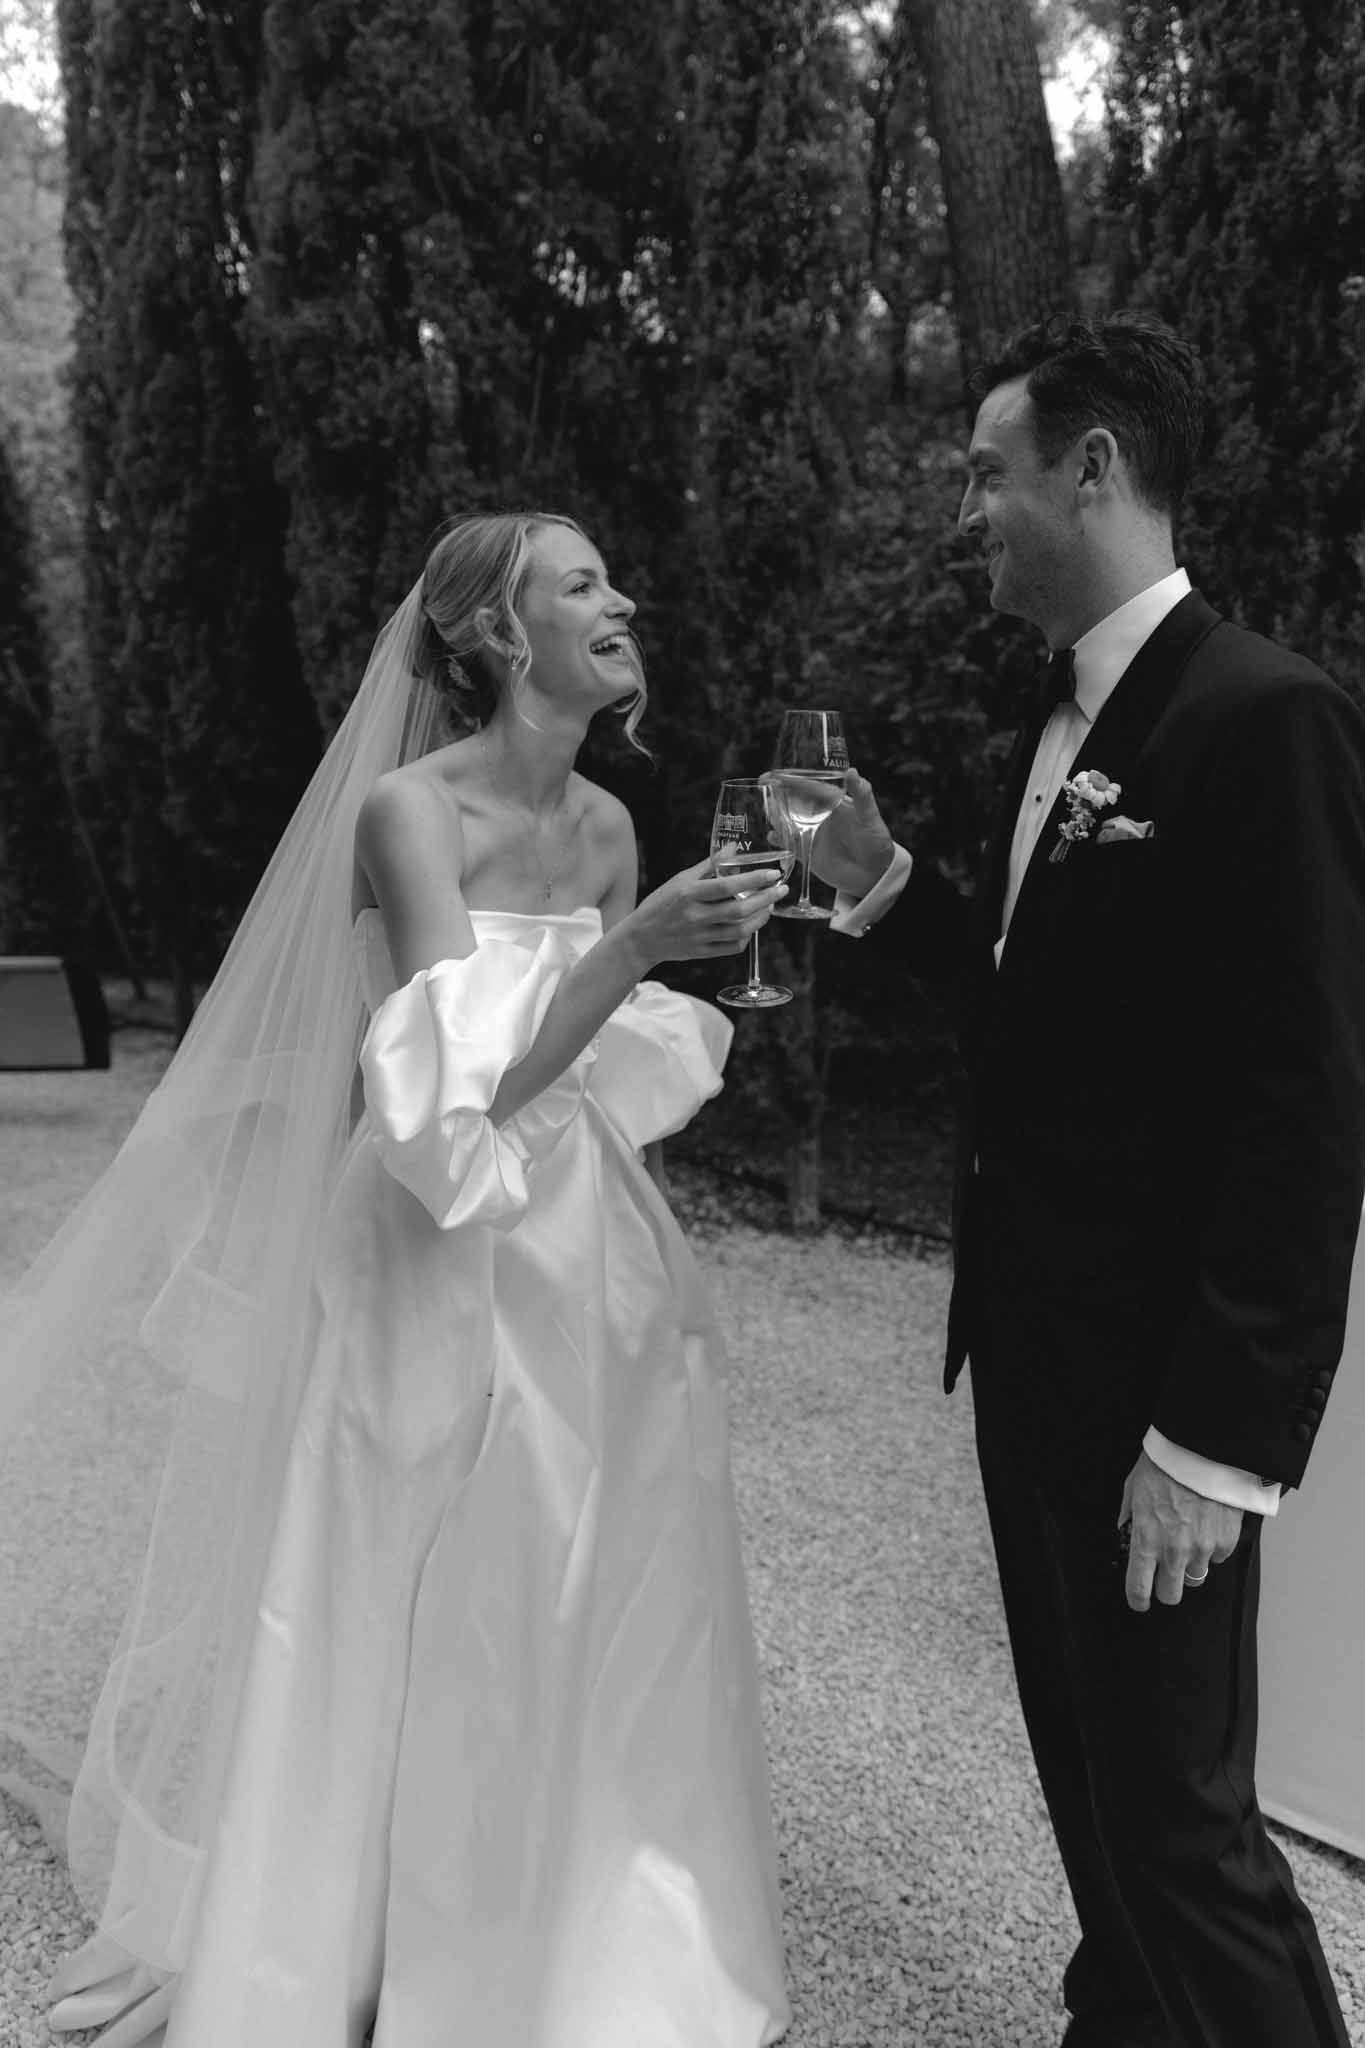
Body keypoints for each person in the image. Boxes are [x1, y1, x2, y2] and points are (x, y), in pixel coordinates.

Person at [0, 512, 792, 2046]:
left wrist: (647, 946)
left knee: (581, 1568)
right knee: (388, 1568)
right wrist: (631, 951)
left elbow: (595, 1079)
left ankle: (565, 1947)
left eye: (610, 580)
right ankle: (327, 1945)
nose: (621, 600)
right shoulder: (405, 815)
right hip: (426, 1234)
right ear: (500, 638)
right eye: (581, 584)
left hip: (584, 1237)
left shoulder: (617, 824)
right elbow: (454, 1093)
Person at [802, 313, 1365, 2047]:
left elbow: (1305, 1105)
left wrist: (1215, 1444)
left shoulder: (1263, 717)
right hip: (1034, 1354)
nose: (964, 511)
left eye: (986, 473)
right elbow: (1044, 1030)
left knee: (1182, 1816)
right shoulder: (1045, 717)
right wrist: (887, 884)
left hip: (1156, 1389)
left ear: (1092, 471)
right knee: (1090, 1778)